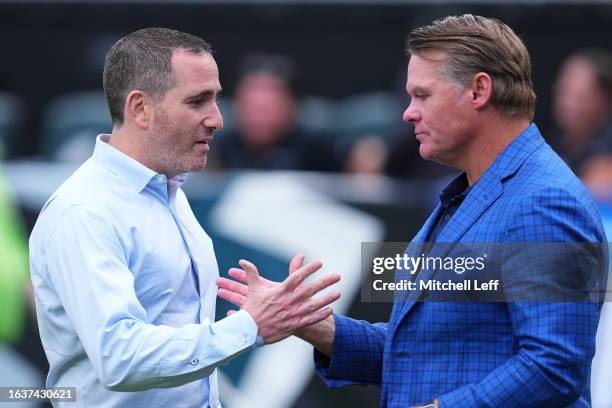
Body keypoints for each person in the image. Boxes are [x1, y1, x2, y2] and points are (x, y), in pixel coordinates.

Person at [218, 14, 607, 407]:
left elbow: (554, 367)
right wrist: (315, 325)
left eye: (422, 95)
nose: (408, 112)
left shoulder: (543, 201)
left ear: (479, 91)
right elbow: (426, 356)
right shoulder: (477, 193)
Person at [29, 27, 340, 408]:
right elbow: (120, 359)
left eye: (217, 100)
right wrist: (249, 326)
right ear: (140, 108)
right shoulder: (84, 211)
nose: (218, 119)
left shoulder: (169, 192)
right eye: (198, 101)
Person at [212, 53, 338, 172]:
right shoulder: (215, 146)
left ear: (291, 107)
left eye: (267, 109)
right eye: (251, 107)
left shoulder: (317, 147)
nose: (258, 119)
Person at [551, 47, 612, 173]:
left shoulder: (606, 153)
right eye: (564, 92)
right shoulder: (555, 144)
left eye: (578, 97)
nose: (567, 104)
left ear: (604, 99)